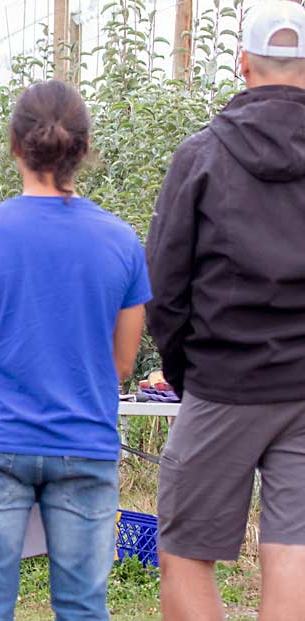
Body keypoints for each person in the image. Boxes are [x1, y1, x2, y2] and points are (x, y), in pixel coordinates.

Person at [0, 80, 150, 620]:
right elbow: (122, 364)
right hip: (85, 442)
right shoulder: (121, 240)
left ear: (14, 144)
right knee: (82, 606)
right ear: (83, 148)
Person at [146, 2, 305, 619]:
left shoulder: (203, 155)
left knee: (184, 550)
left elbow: (163, 283)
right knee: (292, 548)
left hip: (224, 382)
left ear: (243, 65)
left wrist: (188, 371)